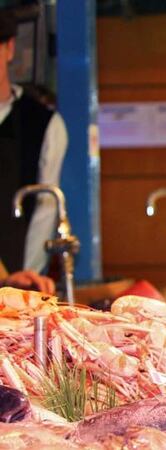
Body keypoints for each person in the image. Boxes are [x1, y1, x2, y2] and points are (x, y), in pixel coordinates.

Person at [0, 9, 68, 280]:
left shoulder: (43, 123)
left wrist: (25, 274)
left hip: (17, 278)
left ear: (9, 48)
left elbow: (46, 208)